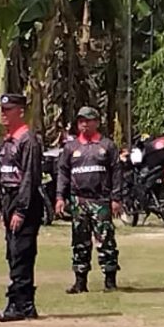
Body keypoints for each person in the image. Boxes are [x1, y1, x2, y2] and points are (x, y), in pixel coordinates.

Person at [55, 106, 121, 294]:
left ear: (97, 122)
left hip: (101, 200)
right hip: (79, 201)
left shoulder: (107, 146)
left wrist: (116, 198)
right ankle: (80, 282)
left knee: (106, 240)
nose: (84, 124)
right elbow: (63, 173)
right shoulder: (71, 148)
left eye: (88, 120)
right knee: (80, 241)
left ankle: (110, 281)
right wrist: (60, 197)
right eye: (81, 121)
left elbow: (117, 173)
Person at [0, 93, 44, 322]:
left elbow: (30, 179)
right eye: (2, 110)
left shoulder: (28, 140)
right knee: (13, 253)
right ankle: (26, 304)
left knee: (22, 252)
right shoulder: (8, 140)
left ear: (20, 112)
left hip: (24, 200)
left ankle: (18, 303)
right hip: (9, 199)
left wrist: (21, 210)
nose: (4, 114)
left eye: (8, 110)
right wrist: (2, 210)